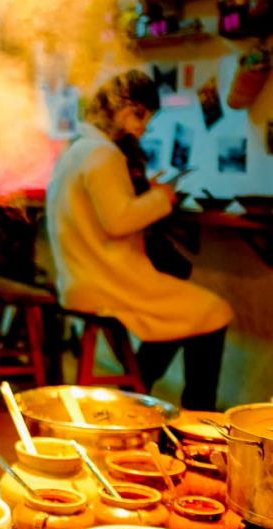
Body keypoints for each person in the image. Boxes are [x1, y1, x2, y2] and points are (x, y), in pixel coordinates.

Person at [46, 70, 233, 410]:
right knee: (213, 310)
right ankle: (197, 415)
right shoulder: (104, 155)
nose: (143, 126)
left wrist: (148, 195)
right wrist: (162, 197)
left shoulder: (76, 151)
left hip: (81, 279)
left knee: (187, 313)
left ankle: (134, 391)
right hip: (108, 281)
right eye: (140, 114)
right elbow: (120, 221)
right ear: (120, 107)